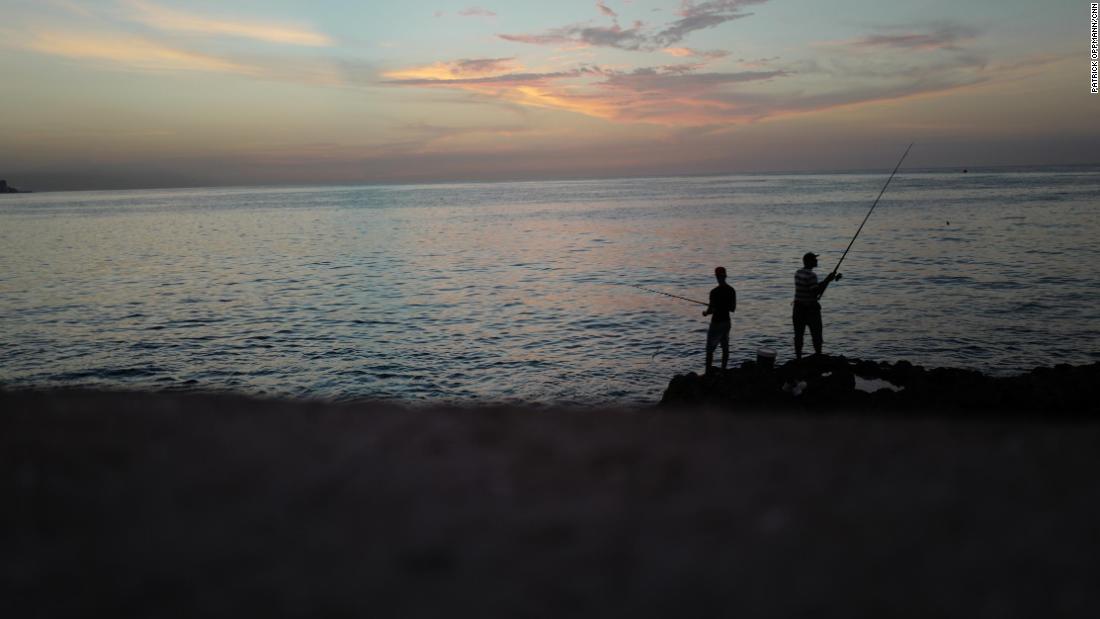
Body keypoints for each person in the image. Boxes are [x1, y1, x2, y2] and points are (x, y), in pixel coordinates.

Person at [793, 252, 839, 359]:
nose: (816, 261)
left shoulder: (798, 273)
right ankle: (818, 356)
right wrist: (827, 280)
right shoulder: (812, 275)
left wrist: (826, 281)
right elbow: (815, 292)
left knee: (799, 335)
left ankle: (798, 358)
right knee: (816, 335)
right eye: (814, 259)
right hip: (810, 310)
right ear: (809, 262)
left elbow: (812, 289)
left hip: (797, 308)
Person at [702, 266, 736, 372]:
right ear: (725, 276)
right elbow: (733, 308)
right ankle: (723, 370)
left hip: (716, 323)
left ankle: (707, 373)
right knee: (725, 348)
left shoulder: (714, 292)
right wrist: (722, 306)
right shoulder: (731, 290)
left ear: (716, 277)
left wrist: (705, 313)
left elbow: (711, 310)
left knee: (709, 350)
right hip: (726, 322)